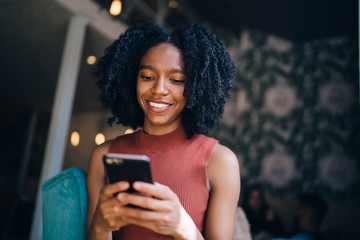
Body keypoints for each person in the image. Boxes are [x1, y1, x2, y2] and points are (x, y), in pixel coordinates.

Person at [86, 23, 240, 240]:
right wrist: (101, 225)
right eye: (147, 77)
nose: (158, 90)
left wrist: (183, 227)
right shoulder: (104, 155)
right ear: (132, 80)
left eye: (176, 80)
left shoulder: (220, 162)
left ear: (196, 87)